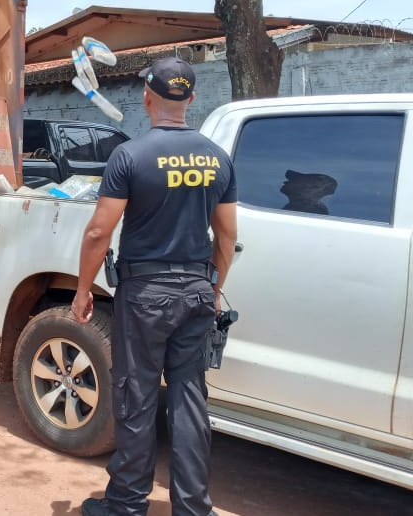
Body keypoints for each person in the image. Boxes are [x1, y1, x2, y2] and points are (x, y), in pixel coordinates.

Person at [71, 57, 238, 516]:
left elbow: (98, 232)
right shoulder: (217, 158)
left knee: (137, 396)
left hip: (145, 297)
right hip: (197, 292)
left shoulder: (130, 156)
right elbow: (226, 237)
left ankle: (126, 504)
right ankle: (193, 508)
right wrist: (214, 290)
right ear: (191, 99)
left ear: (147, 97)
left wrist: (83, 291)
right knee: (189, 399)